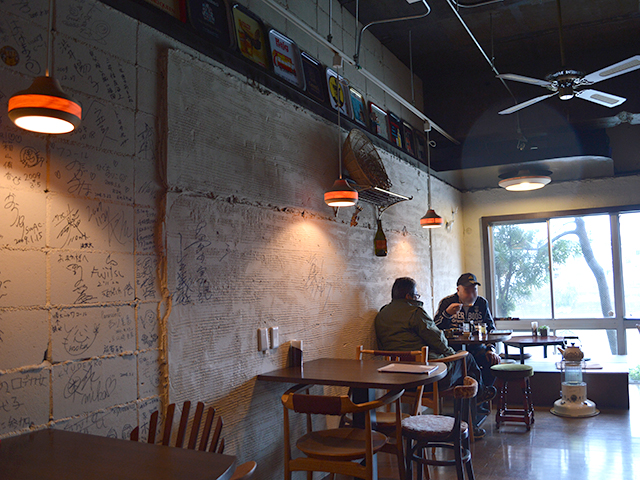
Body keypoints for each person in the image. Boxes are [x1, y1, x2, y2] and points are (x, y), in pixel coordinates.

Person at [375, 277, 496, 438]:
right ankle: (471, 419)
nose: (417, 298)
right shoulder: (415, 312)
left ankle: (479, 394)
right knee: (466, 359)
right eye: (416, 295)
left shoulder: (382, 314)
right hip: (427, 377)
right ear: (408, 296)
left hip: (396, 378)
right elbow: (438, 339)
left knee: (471, 359)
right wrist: (452, 354)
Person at [434, 273, 502, 409]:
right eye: (467, 291)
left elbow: (490, 329)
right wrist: (447, 314)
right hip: (453, 351)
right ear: (458, 290)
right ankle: (480, 395)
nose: (471, 295)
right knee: (466, 362)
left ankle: (478, 397)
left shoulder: (482, 303)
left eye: (474, 290)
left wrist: (491, 349)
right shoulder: (447, 302)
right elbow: (435, 328)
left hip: (477, 348)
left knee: (493, 362)